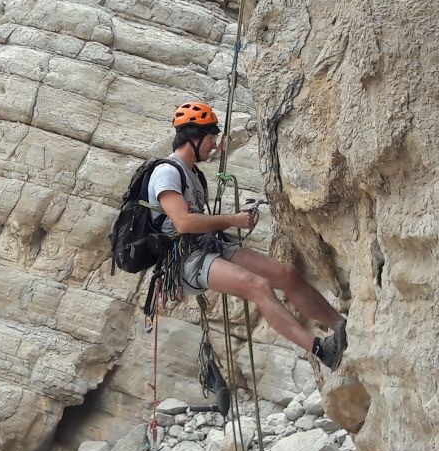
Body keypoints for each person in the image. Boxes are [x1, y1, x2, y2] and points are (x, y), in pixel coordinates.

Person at [147, 101, 348, 370]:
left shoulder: (193, 174)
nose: (214, 145)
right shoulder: (167, 173)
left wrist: (238, 220)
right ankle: (322, 350)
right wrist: (232, 220)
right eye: (211, 137)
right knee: (258, 286)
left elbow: (197, 220)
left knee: (286, 274)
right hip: (186, 261)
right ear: (194, 138)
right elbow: (183, 223)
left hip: (207, 246)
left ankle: (341, 327)